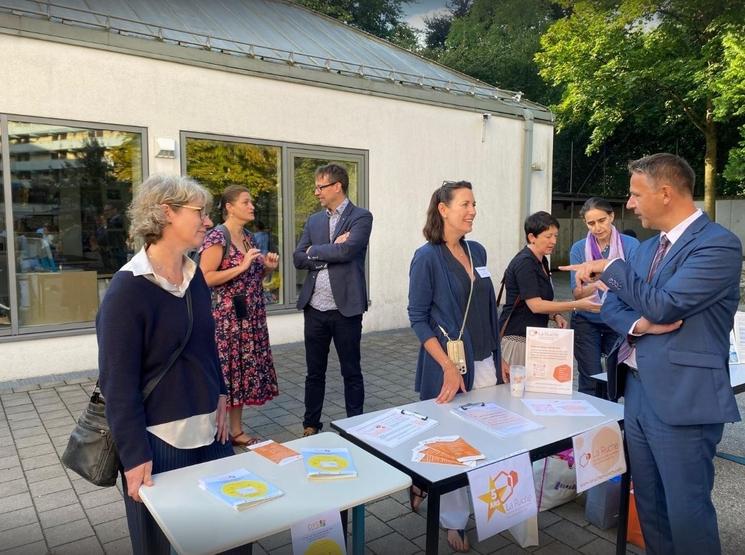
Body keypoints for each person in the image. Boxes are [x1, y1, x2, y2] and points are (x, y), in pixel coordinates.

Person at [563, 153, 741, 554]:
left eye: (634, 194)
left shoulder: (718, 245)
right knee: (650, 507)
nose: (628, 204)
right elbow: (612, 308)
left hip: (683, 399)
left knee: (686, 513)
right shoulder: (644, 251)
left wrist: (612, 268)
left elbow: (664, 305)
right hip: (637, 392)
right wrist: (639, 324)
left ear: (664, 193)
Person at [97, 175, 243, 554]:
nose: (208, 222)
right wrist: (134, 455)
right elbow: (118, 385)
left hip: (212, 433)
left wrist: (222, 391)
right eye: (200, 213)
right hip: (162, 444)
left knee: (231, 533)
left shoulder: (194, 276)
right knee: (167, 545)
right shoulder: (127, 290)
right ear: (167, 213)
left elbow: (206, 344)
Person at [408, 180, 502, 553]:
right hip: (448, 366)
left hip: (485, 362)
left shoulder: (477, 250)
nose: (472, 210)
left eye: (475, 204)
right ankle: (454, 520)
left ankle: (422, 481)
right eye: (465, 204)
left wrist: (499, 356)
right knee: (455, 444)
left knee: (486, 438)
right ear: (443, 209)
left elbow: (488, 310)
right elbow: (417, 317)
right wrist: (447, 365)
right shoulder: (426, 257)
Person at [293, 163, 373, 437]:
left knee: (351, 371)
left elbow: (349, 250)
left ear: (337, 186)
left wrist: (316, 251)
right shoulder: (315, 220)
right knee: (314, 372)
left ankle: (355, 426)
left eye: (320, 186)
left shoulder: (361, 217)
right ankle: (310, 424)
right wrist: (328, 249)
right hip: (315, 308)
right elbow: (297, 257)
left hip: (346, 309)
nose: (316, 192)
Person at [200, 185, 280, 447]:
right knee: (226, 373)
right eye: (246, 202)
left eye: (251, 202)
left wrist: (266, 269)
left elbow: (251, 276)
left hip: (250, 316)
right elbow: (205, 278)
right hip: (227, 319)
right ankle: (214, 430)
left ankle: (235, 430)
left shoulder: (248, 237)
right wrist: (243, 265)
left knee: (241, 373)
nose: (252, 206)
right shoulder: (217, 237)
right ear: (229, 207)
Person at [499, 211, 601, 378]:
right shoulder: (525, 262)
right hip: (517, 340)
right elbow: (536, 305)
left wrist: (555, 315)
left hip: (534, 339)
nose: (553, 241)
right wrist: (577, 305)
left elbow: (542, 300)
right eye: (548, 236)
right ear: (532, 237)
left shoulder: (541, 260)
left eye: (555, 235)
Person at [569, 198, 639, 396]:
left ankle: (611, 425)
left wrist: (597, 276)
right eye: (591, 223)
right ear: (585, 223)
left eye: (602, 220)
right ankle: (589, 424)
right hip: (586, 319)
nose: (597, 227)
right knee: (590, 377)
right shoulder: (578, 248)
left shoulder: (630, 245)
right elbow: (577, 292)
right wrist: (600, 281)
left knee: (614, 377)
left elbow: (634, 286)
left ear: (612, 217)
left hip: (618, 318)